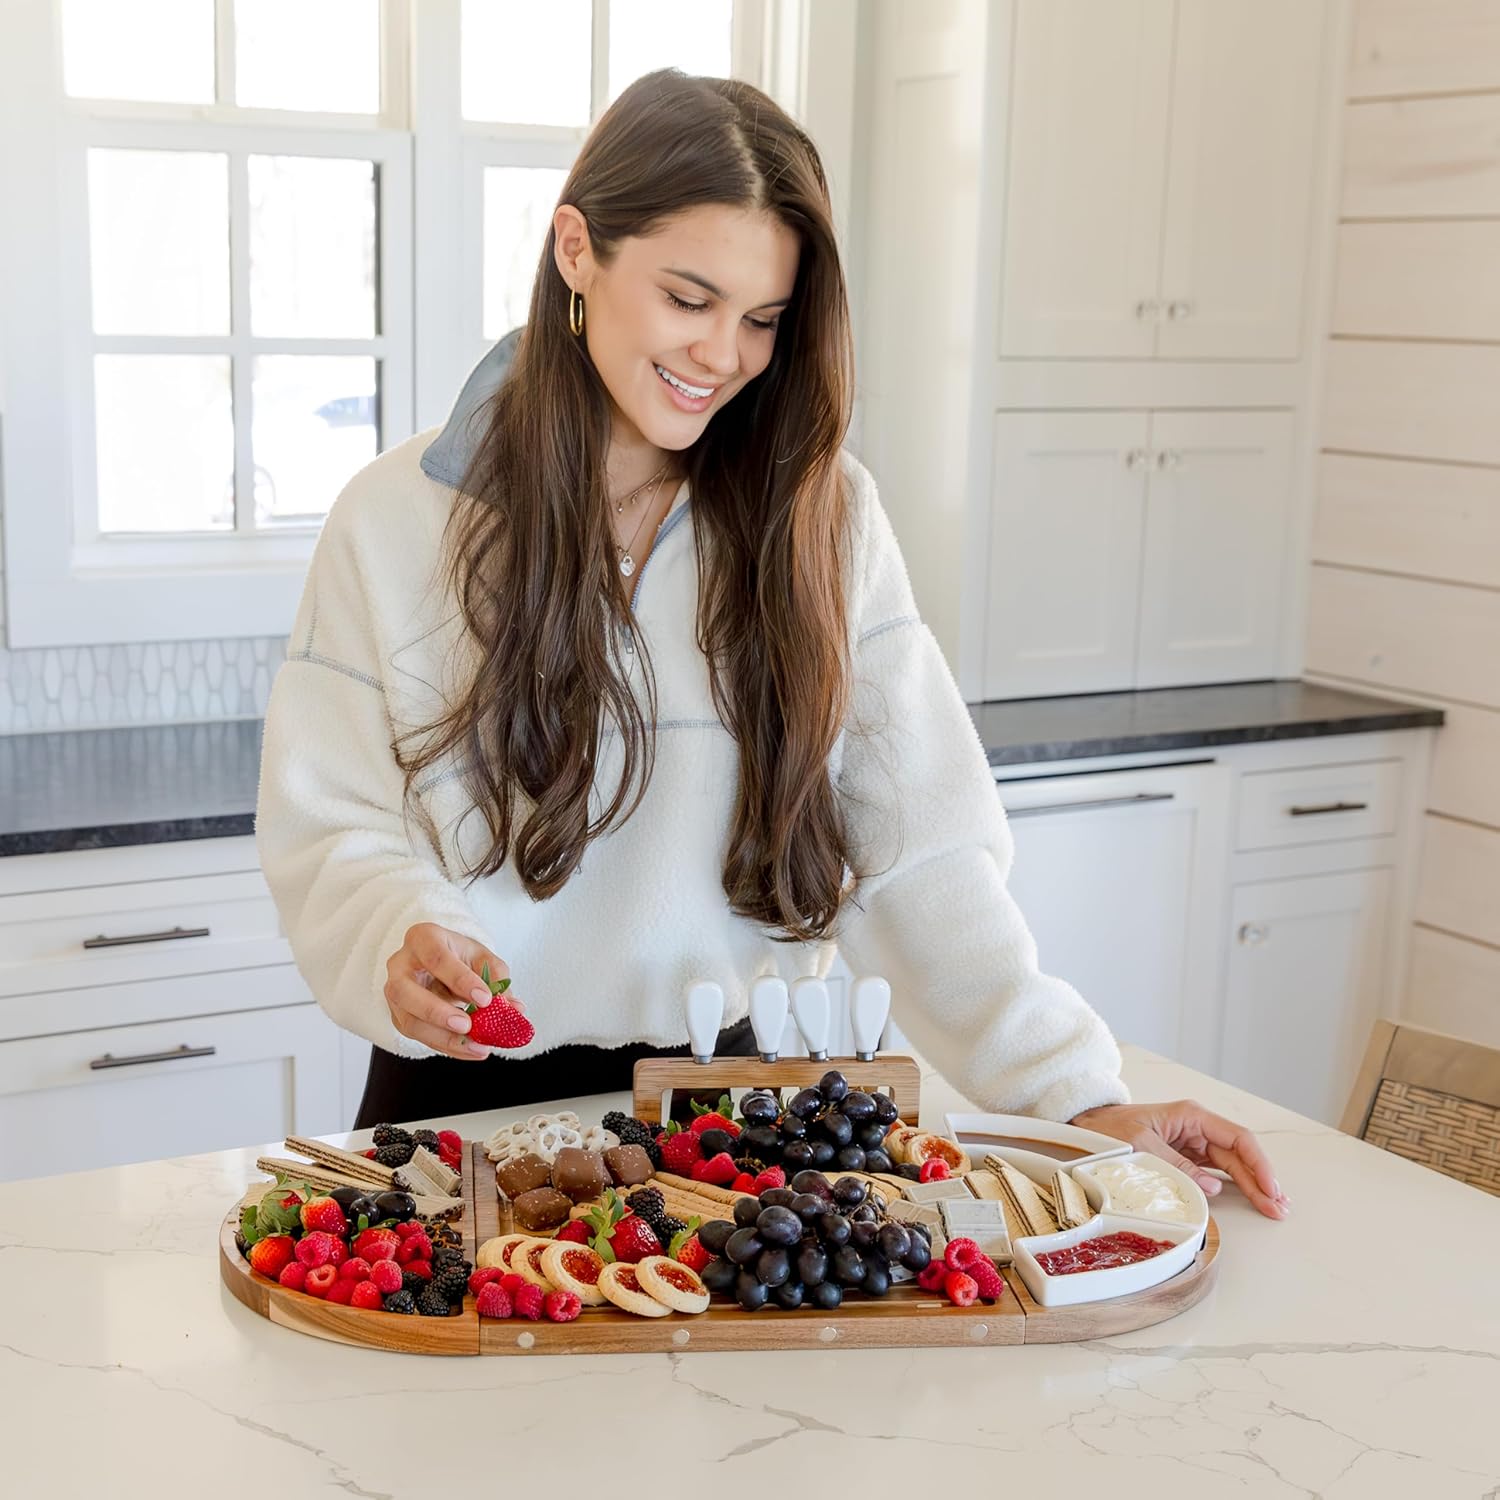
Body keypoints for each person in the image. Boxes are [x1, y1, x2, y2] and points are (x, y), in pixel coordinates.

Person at [255, 69, 1288, 1220]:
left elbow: (924, 860)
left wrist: (1084, 1102)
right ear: (576, 251)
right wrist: (400, 937)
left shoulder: (826, 521)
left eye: (762, 321)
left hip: (738, 1135)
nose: (723, 356)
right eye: (690, 298)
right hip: (465, 1117)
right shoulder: (396, 517)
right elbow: (333, 822)